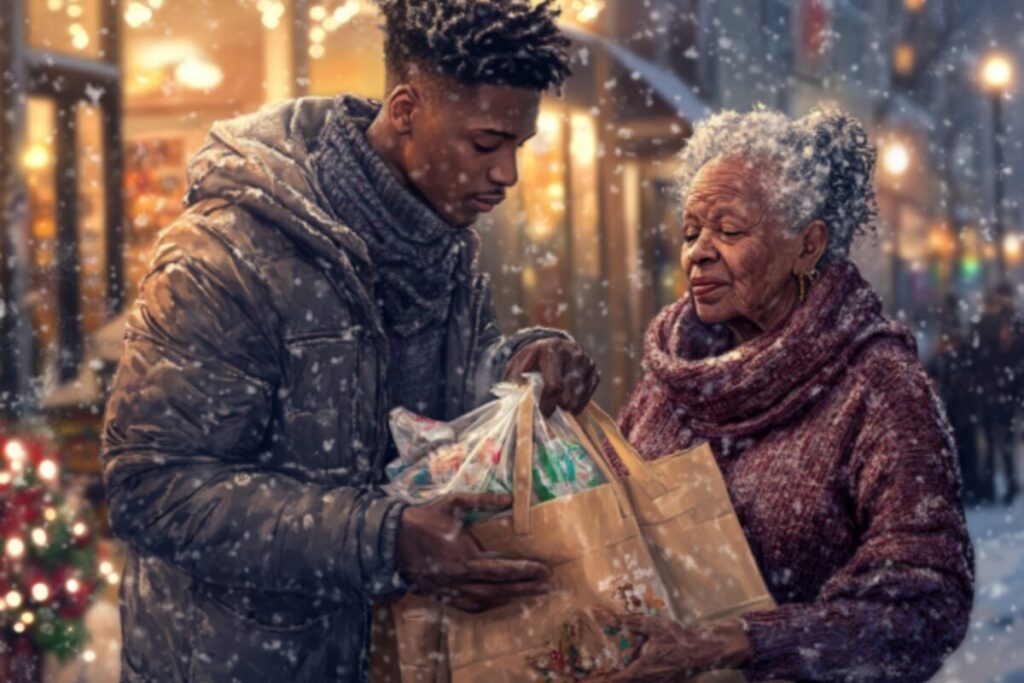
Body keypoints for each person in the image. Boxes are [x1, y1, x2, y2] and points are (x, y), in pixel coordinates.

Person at [101, 2, 599, 681]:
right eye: (487, 144)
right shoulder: (226, 254)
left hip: (406, 653)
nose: (508, 174)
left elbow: (437, 411)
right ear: (404, 111)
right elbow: (151, 488)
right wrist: (384, 537)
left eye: (519, 145)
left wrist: (519, 370)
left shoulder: (444, 245)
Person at [595, 108, 974, 683]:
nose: (698, 250)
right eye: (691, 231)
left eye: (730, 230)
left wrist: (741, 644)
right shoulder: (670, 379)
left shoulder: (879, 387)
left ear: (807, 245)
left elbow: (924, 607)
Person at [928, 293, 983, 505]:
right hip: (959, 398)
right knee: (964, 443)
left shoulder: (946, 334)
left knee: (957, 444)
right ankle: (970, 485)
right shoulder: (957, 335)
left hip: (954, 398)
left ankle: (963, 485)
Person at [972, 281, 1023, 505]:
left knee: (1003, 444)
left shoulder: (996, 324)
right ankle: (994, 486)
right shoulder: (988, 324)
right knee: (996, 444)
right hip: (997, 390)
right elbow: (979, 358)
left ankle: (1001, 486)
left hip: (1003, 391)